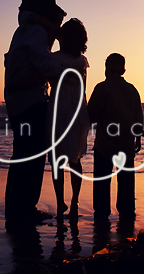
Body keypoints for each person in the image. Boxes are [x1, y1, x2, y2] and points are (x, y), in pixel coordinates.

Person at [3, 0, 72, 223]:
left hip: (21, 99)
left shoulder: (24, 29)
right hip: (28, 101)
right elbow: (42, 61)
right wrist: (64, 71)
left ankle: (17, 207)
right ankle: (23, 209)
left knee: (23, 154)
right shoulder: (35, 33)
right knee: (31, 155)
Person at [87, 53, 144, 224]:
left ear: (106, 69)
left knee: (102, 180)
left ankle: (102, 212)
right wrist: (138, 138)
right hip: (126, 143)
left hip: (105, 143)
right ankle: (127, 212)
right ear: (123, 70)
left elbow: (92, 115)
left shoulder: (102, 88)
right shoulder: (132, 89)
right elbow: (138, 116)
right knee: (126, 181)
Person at [46, 19, 90, 219]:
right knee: (75, 158)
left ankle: (60, 201)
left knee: (57, 158)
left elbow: (50, 80)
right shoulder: (81, 61)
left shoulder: (54, 59)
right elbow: (84, 88)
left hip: (58, 108)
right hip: (77, 108)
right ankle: (74, 201)